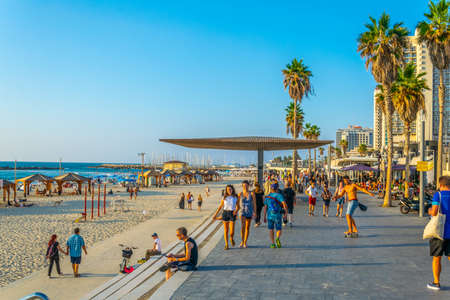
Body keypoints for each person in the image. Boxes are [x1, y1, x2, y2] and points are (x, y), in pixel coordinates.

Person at [427, 176, 450, 291]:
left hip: (439, 232)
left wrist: (429, 210)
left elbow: (435, 212)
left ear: (441, 185)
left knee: (437, 258)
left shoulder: (438, 195)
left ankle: (436, 282)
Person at [212, 185, 239, 250]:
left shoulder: (235, 197)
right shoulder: (224, 197)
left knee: (232, 232)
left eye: (230, 189)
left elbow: (238, 206)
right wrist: (215, 215)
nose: (229, 190)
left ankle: (231, 238)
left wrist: (236, 211)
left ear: (232, 189)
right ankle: (226, 244)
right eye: (228, 189)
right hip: (225, 213)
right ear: (226, 190)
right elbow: (220, 207)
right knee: (226, 231)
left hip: (232, 213)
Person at [264, 183, 288, 248]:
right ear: (277, 189)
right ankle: (277, 238)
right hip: (278, 215)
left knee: (271, 229)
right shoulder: (279, 195)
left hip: (269, 216)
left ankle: (272, 243)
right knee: (279, 229)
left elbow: (265, 207)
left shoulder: (267, 196)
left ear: (271, 189)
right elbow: (284, 205)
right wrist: (285, 213)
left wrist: (264, 216)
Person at [239, 180, 256, 248]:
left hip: (249, 211)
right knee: (243, 226)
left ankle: (245, 242)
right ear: (242, 186)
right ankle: (242, 241)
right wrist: (235, 210)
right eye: (244, 186)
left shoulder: (251, 193)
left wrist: (255, 212)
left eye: (246, 186)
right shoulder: (240, 194)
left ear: (248, 186)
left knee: (247, 227)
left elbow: (254, 203)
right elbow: (237, 203)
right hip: (242, 212)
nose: (245, 187)